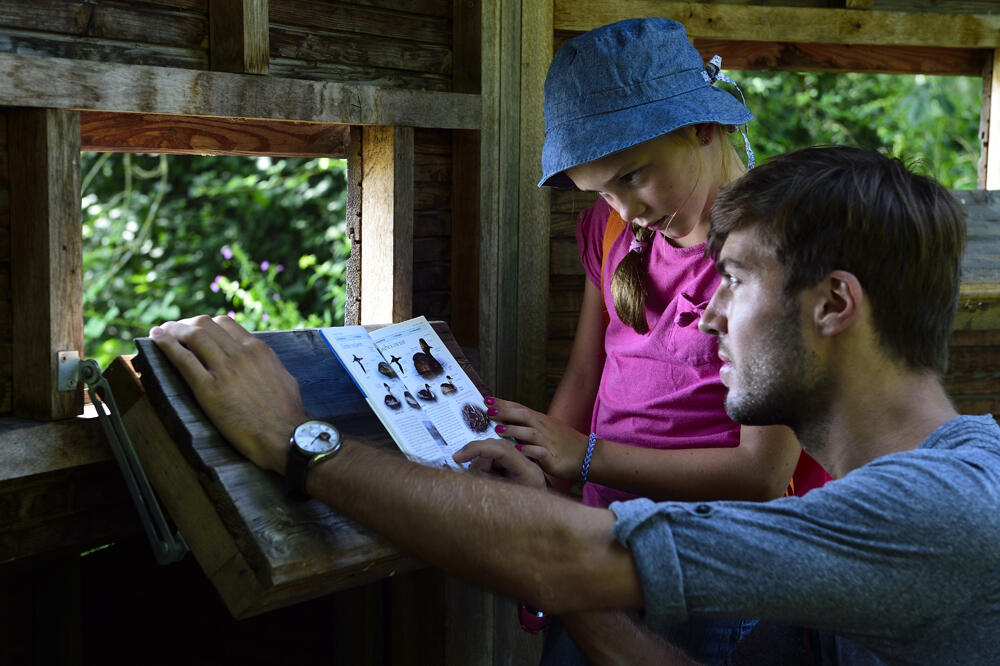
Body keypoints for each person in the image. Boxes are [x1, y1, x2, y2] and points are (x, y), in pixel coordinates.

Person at [150, 145, 1000, 664]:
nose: (707, 313)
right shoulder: (904, 498)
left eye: (734, 282)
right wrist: (531, 516)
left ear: (833, 305)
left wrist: (299, 442)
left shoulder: (939, 510)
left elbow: (566, 560)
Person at [485, 17, 823, 661]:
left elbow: (761, 472)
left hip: (713, 565)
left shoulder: (781, 243)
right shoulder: (611, 233)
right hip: (599, 544)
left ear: (703, 127)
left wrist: (583, 458)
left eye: (633, 176)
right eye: (601, 190)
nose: (625, 209)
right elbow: (585, 377)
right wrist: (542, 492)